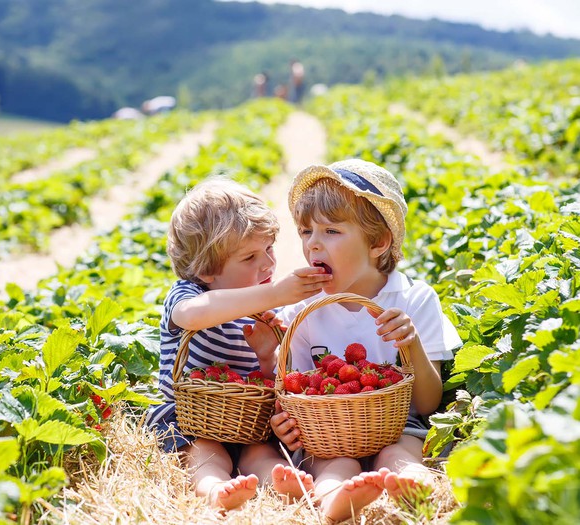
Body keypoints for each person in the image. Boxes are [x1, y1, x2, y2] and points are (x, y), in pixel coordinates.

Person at [270, 159, 461, 521]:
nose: (313, 244)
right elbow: (293, 392)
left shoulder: (413, 300)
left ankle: (414, 486)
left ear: (379, 242)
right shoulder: (303, 312)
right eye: (306, 231)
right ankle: (332, 499)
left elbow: (426, 403)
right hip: (328, 436)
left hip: (399, 427)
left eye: (331, 231)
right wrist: (285, 420)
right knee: (333, 464)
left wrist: (411, 343)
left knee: (401, 454)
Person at [144, 177, 332, 511]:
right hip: (191, 419)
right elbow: (191, 315)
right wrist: (273, 293)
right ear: (206, 270)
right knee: (205, 452)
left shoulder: (264, 310)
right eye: (249, 258)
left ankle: (282, 482)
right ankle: (215, 488)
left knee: (260, 453)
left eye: (269, 249)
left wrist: (265, 356)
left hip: (246, 424)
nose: (268, 264)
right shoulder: (189, 295)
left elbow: (265, 380)